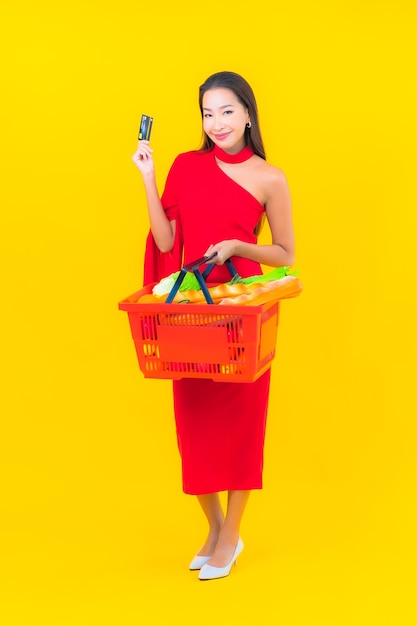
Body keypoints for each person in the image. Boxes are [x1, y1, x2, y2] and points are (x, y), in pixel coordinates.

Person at [132, 71, 295, 580]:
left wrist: (239, 246)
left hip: (243, 310)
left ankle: (231, 534)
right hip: (194, 311)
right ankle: (217, 526)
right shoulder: (186, 165)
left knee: (243, 425)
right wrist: (148, 178)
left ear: (248, 113)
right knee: (195, 424)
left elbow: (285, 254)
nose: (217, 122)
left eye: (227, 111)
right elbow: (164, 243)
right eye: (208, 113)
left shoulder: (271, 178)